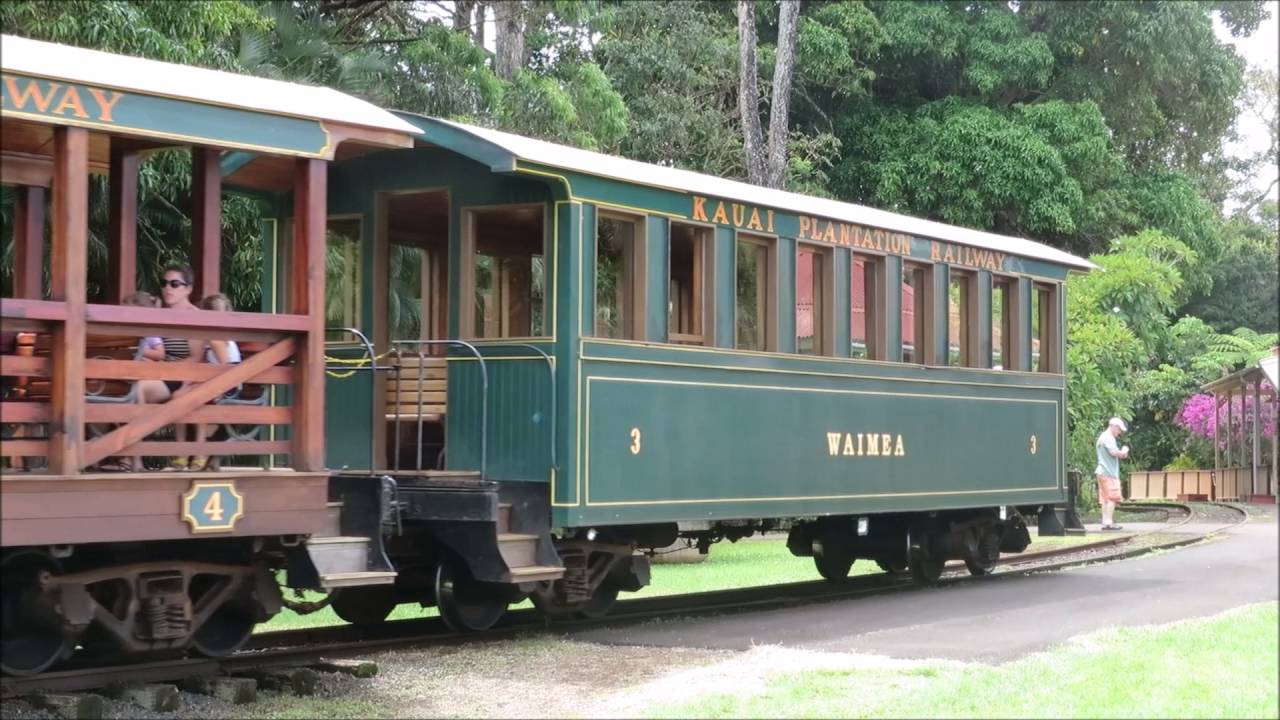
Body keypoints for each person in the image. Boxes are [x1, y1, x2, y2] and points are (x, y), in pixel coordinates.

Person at [156, 264, 207, 471]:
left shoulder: (194, 316)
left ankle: (182, 452)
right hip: (166, 374)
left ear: (188, 289)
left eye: (175, 284)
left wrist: (165, 369)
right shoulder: (160, 316)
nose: (168, 288)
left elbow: (196, 357)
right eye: (164, 283)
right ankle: (127, 456)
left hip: (189, 375)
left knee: (176, 396)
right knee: (135, 389)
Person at [189, 293, 241, 472]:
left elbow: (225, 365)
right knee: (196, 397)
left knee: (200, 402)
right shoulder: (217, 336)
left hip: (228, 383)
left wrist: (215, 388)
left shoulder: (217, 338)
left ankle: (200, 452)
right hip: (221, 382)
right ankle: (208, 457)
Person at [1095, 417, 1130, 530]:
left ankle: (1105, 521)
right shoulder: (1108, 437)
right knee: (1112, 497)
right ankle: (1109, 522)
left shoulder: (1102, 437)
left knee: (1105, 498)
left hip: (1101, 471)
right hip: (1108, 472)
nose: (1119, 433)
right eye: (1119, 430)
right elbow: (1114, 452)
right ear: (1114, 426)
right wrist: (1124, 452)